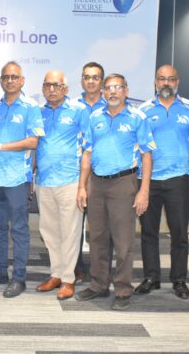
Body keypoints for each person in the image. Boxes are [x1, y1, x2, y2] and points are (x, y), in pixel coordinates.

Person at [75, 73, 154, 311]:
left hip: (123, 183)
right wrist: (82, 186)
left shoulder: (137, 117)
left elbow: (147, 155)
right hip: (97, 184)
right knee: (97, 237)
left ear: (126, 91)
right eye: (108, 87)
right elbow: (86, 153)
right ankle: (99, 284)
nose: (112, 92)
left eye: (118, 87)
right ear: (103, 91)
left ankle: (122, 289)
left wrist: (144, 191)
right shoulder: (94, 117)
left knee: (123, 241)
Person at [0, 61, 45, 298]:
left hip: (17, 178)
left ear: (22, 80)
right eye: (6, 77)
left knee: (19, 229)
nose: (10, 81)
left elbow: (33, 142)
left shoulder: (30, 107)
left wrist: (1, 146)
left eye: (14, 77)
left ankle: (19, 278)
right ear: (1, 80)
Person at [135, 65, 189, 299]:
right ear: (155, 82)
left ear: (178, 82)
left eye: (171, 79)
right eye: (162, 79)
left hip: (179, 178)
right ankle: (151, 277)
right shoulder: (143, 110)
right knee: (148, 232)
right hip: (148, 180)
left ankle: (179, 279)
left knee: (179, 232)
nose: (166, 83)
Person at [33, 70, 89, 301]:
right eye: (47, 85)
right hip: (44, 181)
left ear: (66, 88)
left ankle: (68, 279)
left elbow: (88, 147)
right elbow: (34, 145)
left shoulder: (79, 110)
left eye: (56, 85)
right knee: (49, 232)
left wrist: (83, 185)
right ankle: (55, 273)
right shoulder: (38, 113)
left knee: (70, 232)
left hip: (70, 181)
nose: (52, 89)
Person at [74, 61, 107, 283]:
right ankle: (76, 268)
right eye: (87, 77)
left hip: (103, 175)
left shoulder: (112, 106)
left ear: (102, 82)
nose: (91, 81)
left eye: (95, 77)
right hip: (75, 174)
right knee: (74, 225)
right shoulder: (72, 106)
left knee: (100, 228)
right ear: (82, 81)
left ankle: (100, 271)